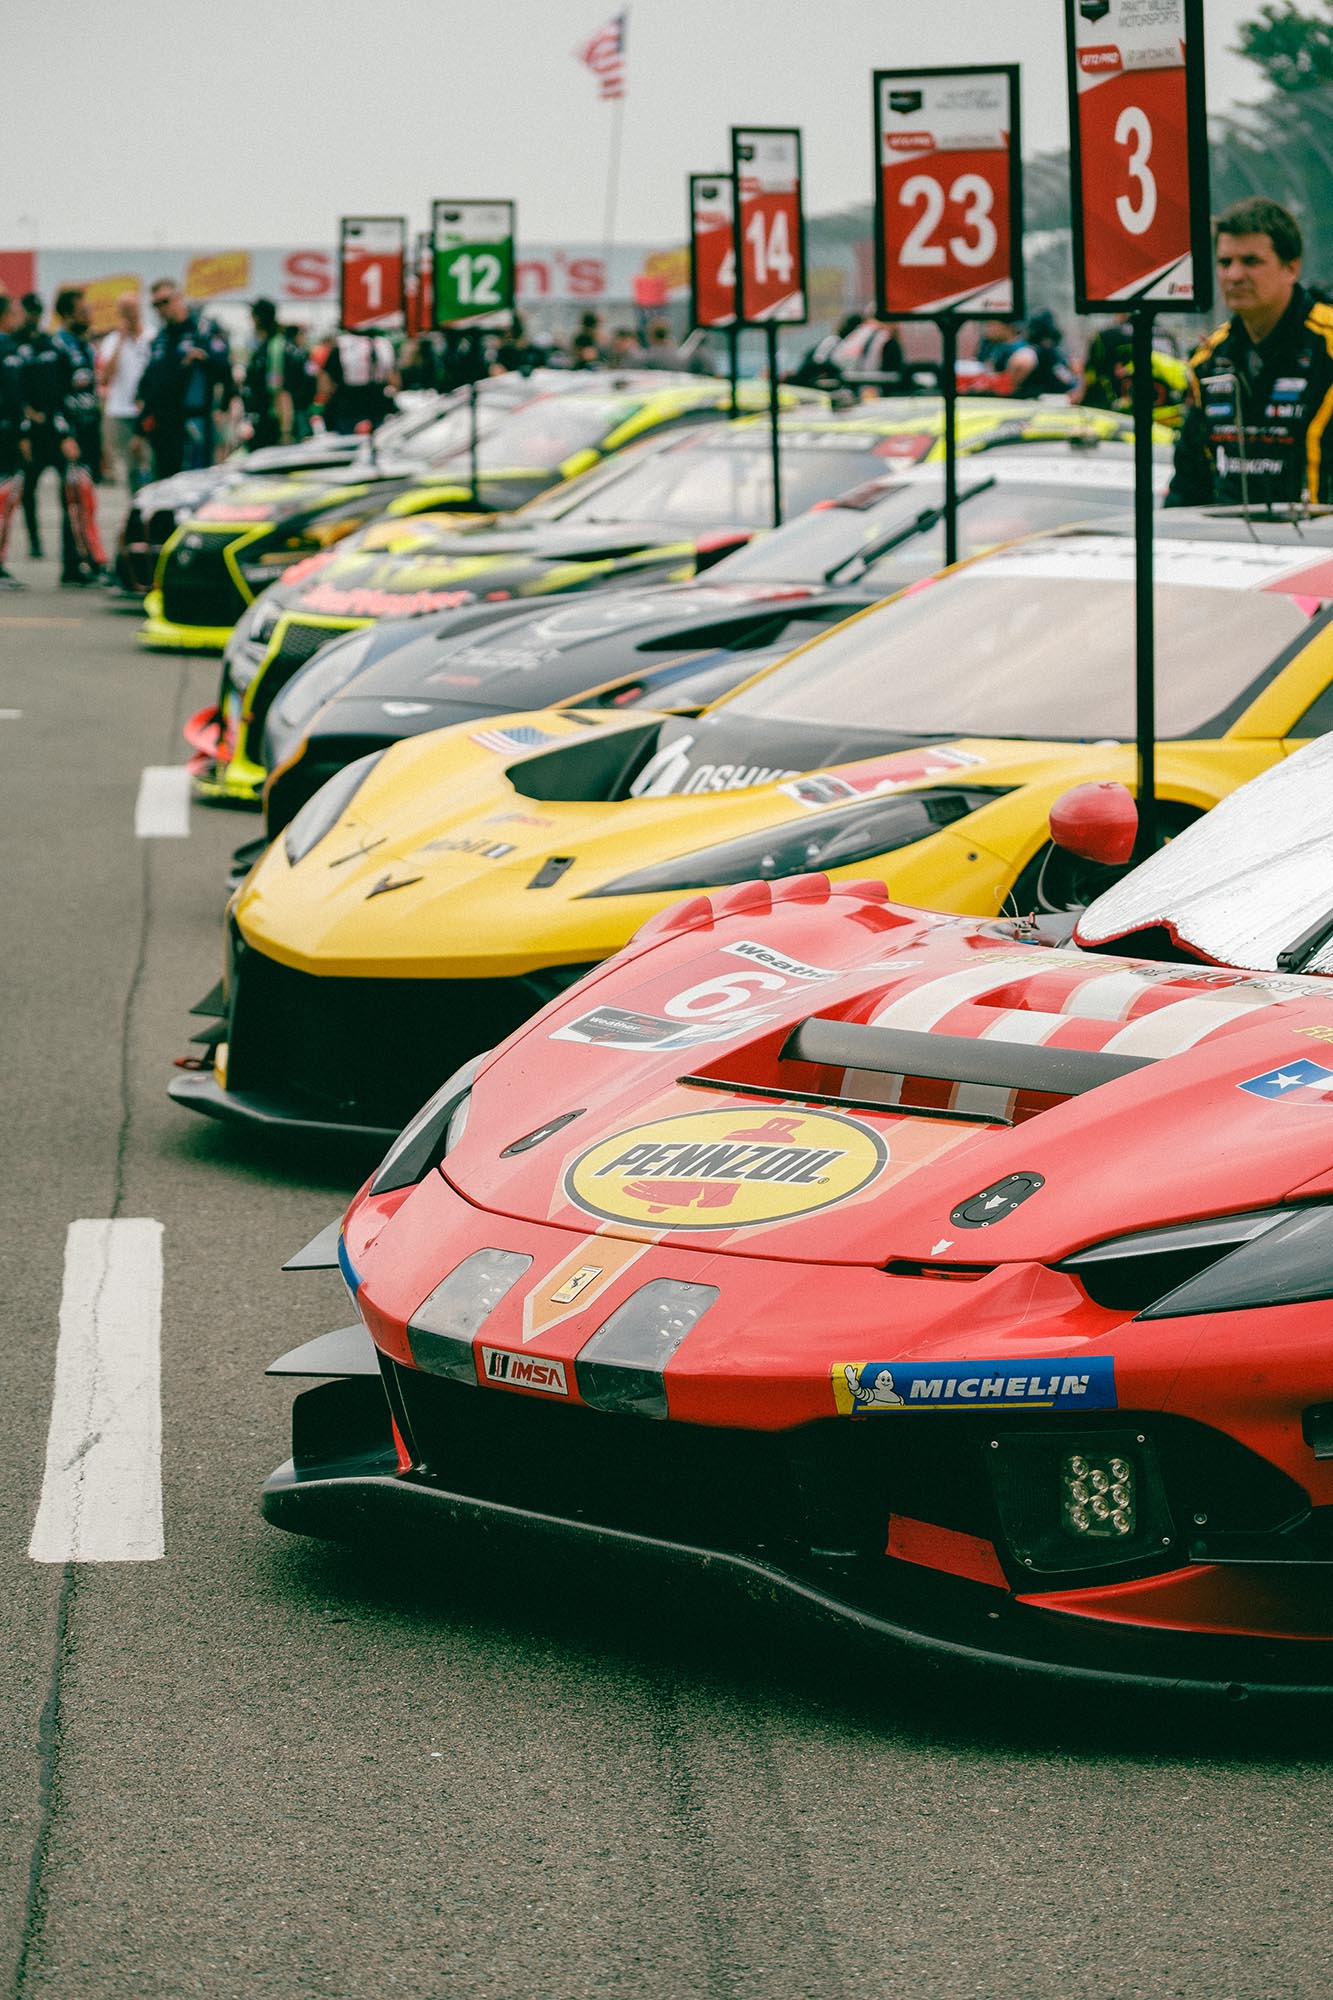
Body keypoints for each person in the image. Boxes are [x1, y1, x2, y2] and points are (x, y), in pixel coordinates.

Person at [1168, 196, 1333, 507]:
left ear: (1291, 268)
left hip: (1317, 547)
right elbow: (1189, 481)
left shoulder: (1327, 346)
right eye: (1225, 262)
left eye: (1251, 261)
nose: (1234, 275)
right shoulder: (1208, 360)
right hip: (1234, 546)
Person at [137, 280, 233, 477]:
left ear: (179, 298)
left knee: (195, 481)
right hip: (163, 426)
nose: (161, 309)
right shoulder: (159, 339)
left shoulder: (203, 331)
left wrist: (204, 360)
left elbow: (226, 372)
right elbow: (149, 384)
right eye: (155, 305)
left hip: (193, 423)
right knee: (164, 481)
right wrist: (140, 426)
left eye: (165, 302)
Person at [50, 287, 108, 582]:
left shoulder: (86, 346)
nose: (88, 315)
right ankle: (85, 564)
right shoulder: (58, 347)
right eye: (82, 311)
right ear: (68, 314)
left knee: (84, 499)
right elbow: (54, 396)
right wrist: (64, 436)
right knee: (77, 501)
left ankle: (77, 565)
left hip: (89, 431)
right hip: (71, 433)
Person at [1073, 312, 1191, 427]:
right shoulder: (1168, 336)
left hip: (1121, 419)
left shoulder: (1106, 336)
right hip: (1168, 418)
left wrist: (1078, 399)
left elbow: (1090, 377)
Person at [17, 292, 63, 559]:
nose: (33, 317)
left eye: (37, 312)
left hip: (52, 427)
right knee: (28, 488)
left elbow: (58, 385)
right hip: (29, 431)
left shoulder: (49, 343)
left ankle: (70, 544)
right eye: (29, 312)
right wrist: (25, 412)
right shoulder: (13, 344)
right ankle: (34, 540)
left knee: (65, 485)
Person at [98, 292, 152, 489]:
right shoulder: (112, 341)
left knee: (149, 462)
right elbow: (105, 377)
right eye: (124, 310)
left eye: (132, 309)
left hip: (146, 411)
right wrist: (121, 341)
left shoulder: (152, 336)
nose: (129, 314)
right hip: (121, 411)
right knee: (130, 467)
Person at [242, 299, 306, 449]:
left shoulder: (275, 347)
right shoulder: (269, 344)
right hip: (267, 423)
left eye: (252, 315)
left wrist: (285, 432)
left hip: (273, 425)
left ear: (258, 318)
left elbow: (280, 392)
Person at [315, 323, 398, 431]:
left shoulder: (341, 345)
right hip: (377, 404)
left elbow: (324, 383)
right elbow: (395, 380)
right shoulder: (384, 345)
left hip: (347, 404)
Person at [0, 294, 27, 588]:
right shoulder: (6, 347)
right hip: (6, 435)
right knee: (6, 498)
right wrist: (21, 432)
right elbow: (13, 394)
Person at [1007, 311, 1076, 396]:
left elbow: (1067, 379)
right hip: (1034, 398)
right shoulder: (1028, 354)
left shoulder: (1054, 354)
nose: (1048, 342)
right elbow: (1014, 382)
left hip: (1058, 398)